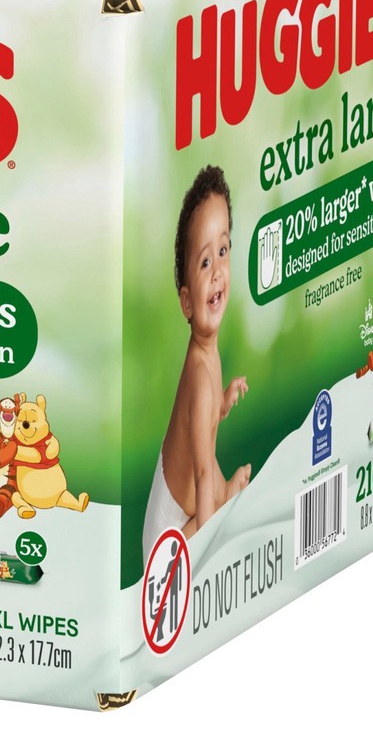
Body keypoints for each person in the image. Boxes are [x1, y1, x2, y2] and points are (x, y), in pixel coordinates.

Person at [143, 165, 250, 566]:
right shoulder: (199, 374)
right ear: (187, 302)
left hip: (182, 500)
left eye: (223, 251)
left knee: (212, 469)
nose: (218, 271)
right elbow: (203, 477)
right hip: (168, 533)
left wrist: (223, 403)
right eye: (205, 262)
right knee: (212, 485)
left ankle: (224, 498)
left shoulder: (205, 356)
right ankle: (211, 526)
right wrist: (209, 555)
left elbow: (201, 421)